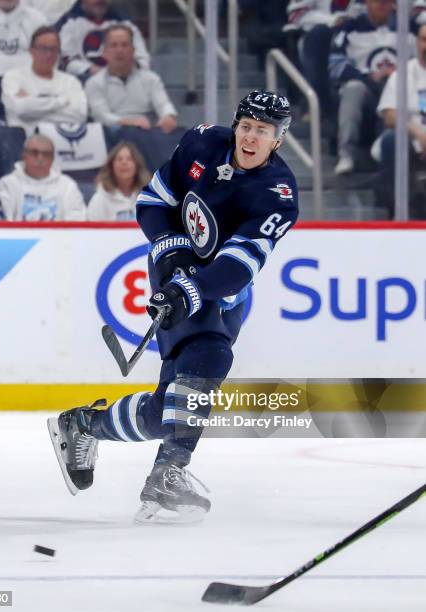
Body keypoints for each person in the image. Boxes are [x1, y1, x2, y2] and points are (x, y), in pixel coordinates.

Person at [48, 91, 299, 524]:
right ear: (235, 125)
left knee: (169, 410)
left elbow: (239, 266)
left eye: (263, 131)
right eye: (246, 126)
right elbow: (152, 203)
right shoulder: (202, 143)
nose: (251, 137)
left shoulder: (276, 194)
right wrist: (175, 260)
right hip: (175, 266)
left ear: (277, 139)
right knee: (211, 358)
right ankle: (168, 474)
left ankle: (85, 425)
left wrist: (192, 288)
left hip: (221, 289)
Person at [329, 0, 415, 175]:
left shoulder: (410, 27)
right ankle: (346, 155)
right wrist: (366, 76)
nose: (382, 4)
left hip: (400, 91)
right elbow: (334, 66)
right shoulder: (349, 27)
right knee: (353, 88)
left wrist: (401, 73)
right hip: (366, 92)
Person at [85, 25, 178, 133]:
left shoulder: (151, 79)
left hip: (145, 132)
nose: (119, 50)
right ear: (104, 52)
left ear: (133, 51)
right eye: (114, 45)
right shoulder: (93, 83)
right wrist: (130, 122)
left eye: (125, 45)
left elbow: (163, 104)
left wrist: (169, 116)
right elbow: (101, 116)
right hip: (111, 135)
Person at [375, 22, 426, 218]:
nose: (425, 45)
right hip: (411, 141)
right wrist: (419, 135)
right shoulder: (402, 74)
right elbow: (389, 114)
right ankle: (396, 214)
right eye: (423, 40)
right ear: (417, 43)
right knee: (391, 140)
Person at [1, 26, 87, 133]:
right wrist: (62, 101)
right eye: (43, 49)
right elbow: (20, 109)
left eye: (53, 49)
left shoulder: (71, 81)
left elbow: (79, 116)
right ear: (31, 51)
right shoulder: (13, 77)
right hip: (25, 142)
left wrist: (33, 106)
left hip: (61, 141)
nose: (49, 54)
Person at [0, 134, 86, 220]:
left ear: (52, 158)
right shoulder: (7, 184)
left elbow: (76, 221)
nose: (40, 158)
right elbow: (4, 221)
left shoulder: (67, 185)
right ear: (24, 155)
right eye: (34, 153)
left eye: (46, 154)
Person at [56, 0, 150, 80]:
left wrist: (126, 70)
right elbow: (67, 62)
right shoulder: (67, 24)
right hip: (84, 82)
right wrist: (97, 72)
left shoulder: (125, 23)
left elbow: (142, 59)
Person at [87, 141, 151, 221]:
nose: (124, 162)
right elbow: (93, 230)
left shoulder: (149, 198)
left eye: (129, 159)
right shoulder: (100, 198)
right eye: (119, 159)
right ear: (111, 167)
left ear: (137, 166)